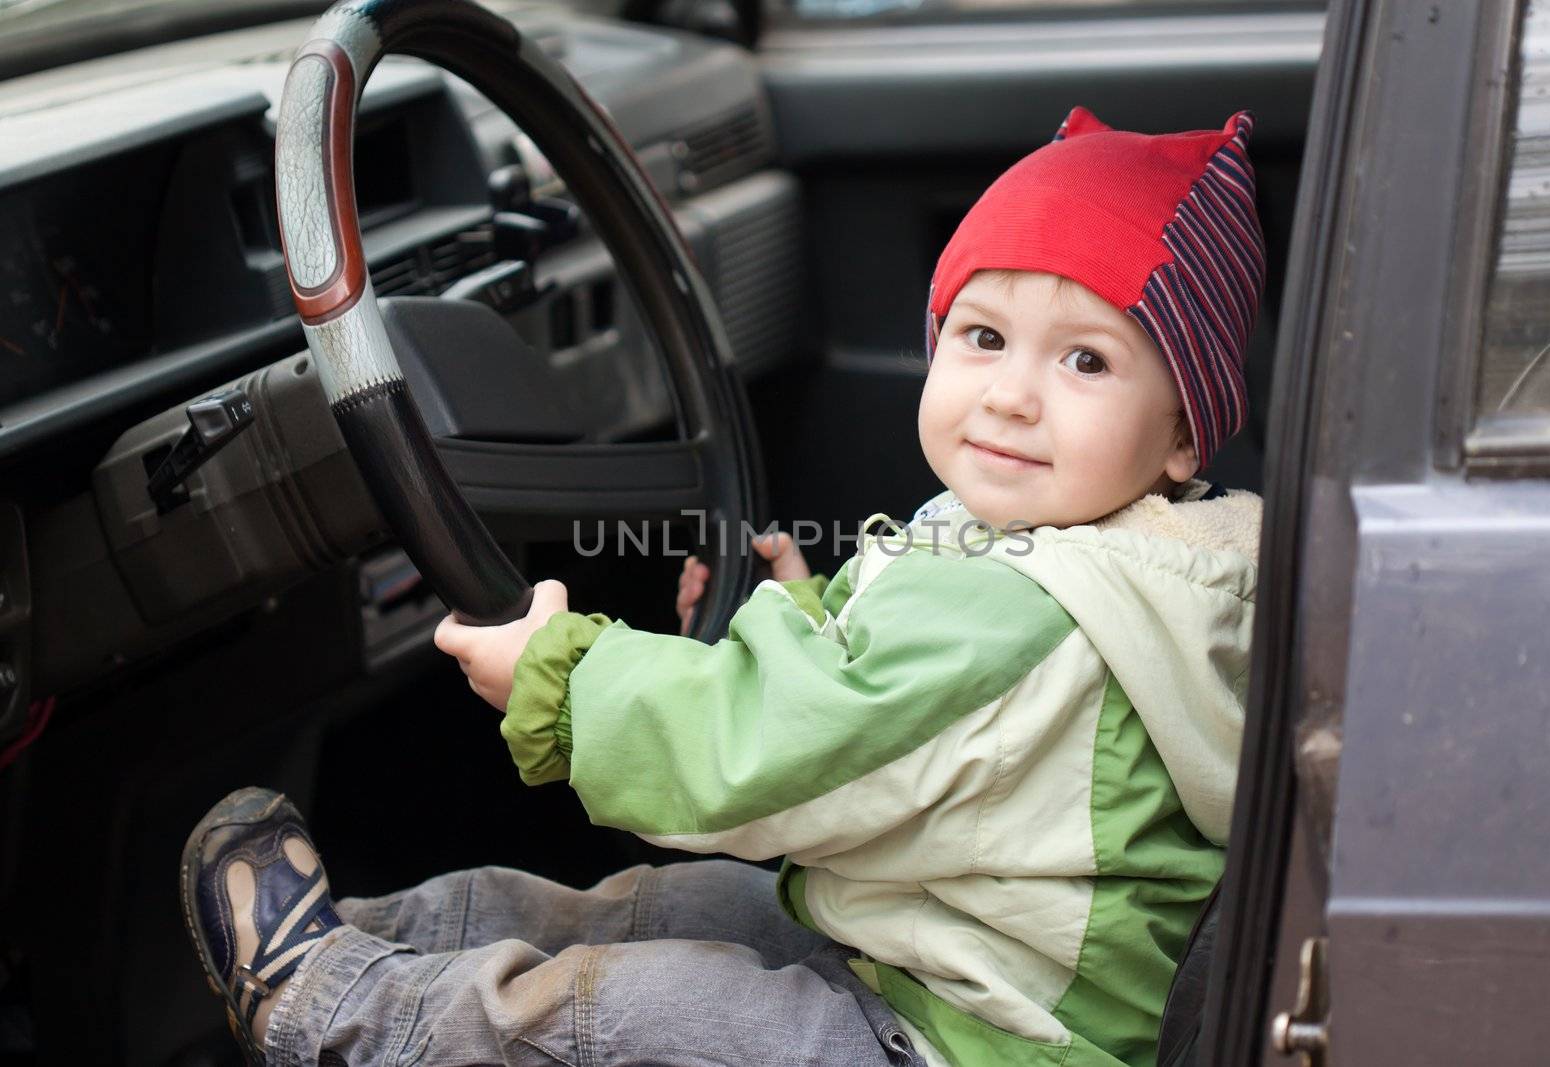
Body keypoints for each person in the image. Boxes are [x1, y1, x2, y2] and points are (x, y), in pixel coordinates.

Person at [181, 105, 1266, 1067]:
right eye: (983, 337)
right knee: (658, 905)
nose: (1015, 395)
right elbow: (910, 728)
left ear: (1182, 432)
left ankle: (326, 1010)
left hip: (979, 1036)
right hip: (940, 937)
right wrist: (807, 607)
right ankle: (364, 938)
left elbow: (765, 749)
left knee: (628, 1000)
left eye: (1085, 360)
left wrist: (560, 677)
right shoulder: (1119, 547)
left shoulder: (1030, 603)